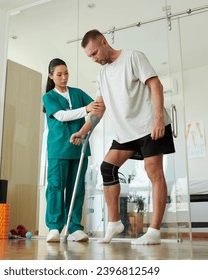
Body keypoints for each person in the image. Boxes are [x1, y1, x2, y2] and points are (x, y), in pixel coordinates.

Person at [70, 29, 175, 245]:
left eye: (95, 52)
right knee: (107, 167)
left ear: (104, 42)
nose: (94, 59)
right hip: (126, 131)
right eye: (89, 56)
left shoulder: (133, 57)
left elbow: (156, 85)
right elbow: (99, 109)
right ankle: (114, 223)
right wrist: (83, 130)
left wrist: (157, 118)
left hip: (148, 125)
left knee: (153, 172)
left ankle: (154, 232)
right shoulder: (102, 75)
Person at [43, 58, 102, 243]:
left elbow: (97, 109)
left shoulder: (77, 93)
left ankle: (75, 227)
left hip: (79, 149)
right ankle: (54, 227)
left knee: (76, 189)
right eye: (59, 74)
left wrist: (85, 129)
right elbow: (61, 116)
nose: (64, 77)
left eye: (66, 73)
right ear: (51, 76)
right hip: (58, 149)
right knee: (55, 188)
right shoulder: (49, 97)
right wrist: (85, 109)